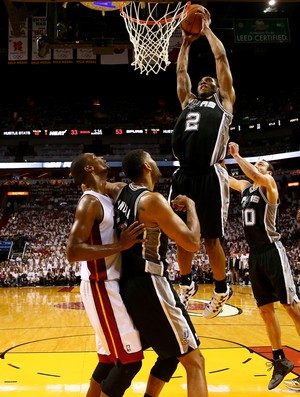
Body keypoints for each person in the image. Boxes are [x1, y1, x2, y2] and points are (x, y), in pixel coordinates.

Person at [112, 149, 208, 397]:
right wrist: (192, 208)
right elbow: (192, 243)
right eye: (153, 160)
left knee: (170, 355)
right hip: (151, 283)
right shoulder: (152, 201)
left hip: (131, 285)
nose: (156, 163)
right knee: (195, 361)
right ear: (146, 165)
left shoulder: (122, 191)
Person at [169, 5, 236, 316]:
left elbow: (220, 60)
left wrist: (206, 30)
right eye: (203, 79)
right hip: (183, 176)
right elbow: (181, 72)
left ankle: (222, 289)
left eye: (211, 79)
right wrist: (184, 43)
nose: (206, 80)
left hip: (209, 175)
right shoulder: (188, 102)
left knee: (210, 239)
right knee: (183, 237)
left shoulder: (224, 102)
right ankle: (186, 283)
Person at [66, 153, 148, 397]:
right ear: (90, 167)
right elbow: (73, 251)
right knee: (130, 361)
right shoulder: (89, 202)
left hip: (110, 284)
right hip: (100, 284)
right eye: (95, 157)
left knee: (109, 361)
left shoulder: (105, 197)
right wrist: (120, 246)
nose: (102, 157)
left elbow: (124, 187)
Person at [227, 141, 300, 390]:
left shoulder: (268, 184)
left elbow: (255, 174)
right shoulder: (247, 188)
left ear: (268, 171)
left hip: (272, 251)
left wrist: (237, 155)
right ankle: (280, 360)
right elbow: (228, 179)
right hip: (255, 255)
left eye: (261, 164)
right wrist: (211, 158)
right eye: (255, 163)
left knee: (290, 306)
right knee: (265, 310)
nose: (256, 166)